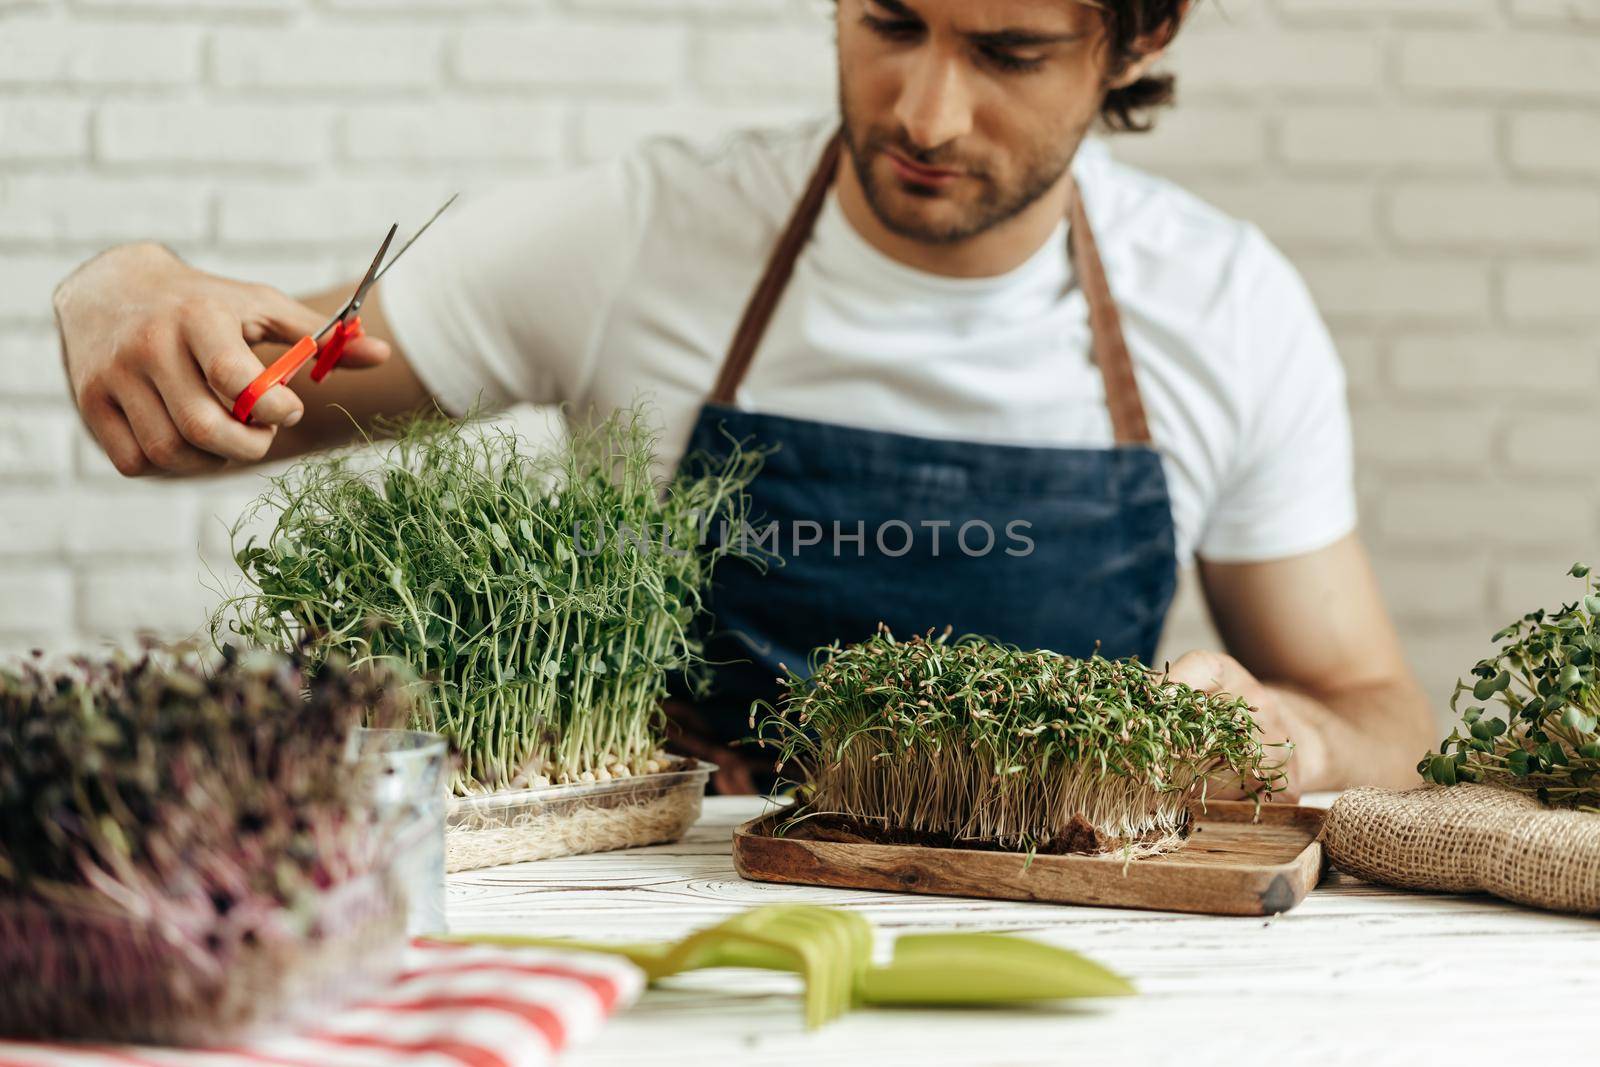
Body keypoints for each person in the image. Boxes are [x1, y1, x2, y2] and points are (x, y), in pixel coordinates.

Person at [50, 0, 1436, 796]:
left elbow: (1380, 712)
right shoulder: (639, 237)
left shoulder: (1225, 306)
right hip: (664, 929)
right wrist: (132, 284)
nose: (926, 113)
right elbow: (227, 412)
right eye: (890, 21)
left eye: (1009, 51)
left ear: (1133, 40)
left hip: (1059, 929)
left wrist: (1297, 734)